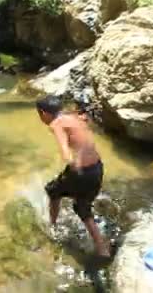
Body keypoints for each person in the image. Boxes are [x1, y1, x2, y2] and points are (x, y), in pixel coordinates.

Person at [36, 95, 110, 257]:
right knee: (82, 206)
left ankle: (53, 226)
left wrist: (70, 161)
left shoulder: (56, 124)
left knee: (52, 190)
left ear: (43, 113)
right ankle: (102, 248)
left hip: (80, 171)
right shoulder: (73, 117)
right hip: (97, 168)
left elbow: (64, 148)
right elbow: (84, 122)